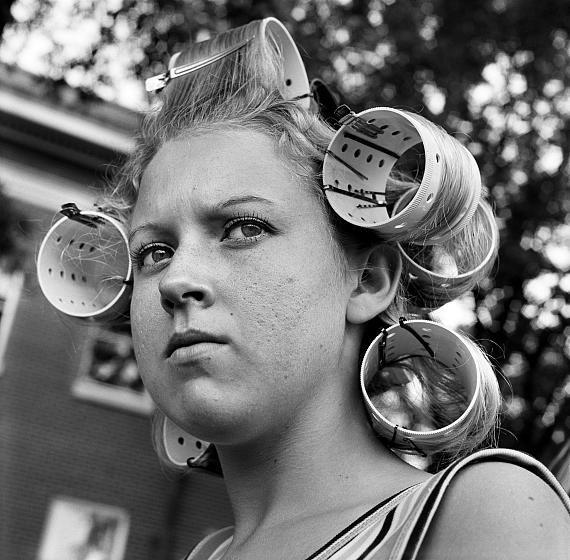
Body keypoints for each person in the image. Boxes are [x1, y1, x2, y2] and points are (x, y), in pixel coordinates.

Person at [40, 17, 570, 560]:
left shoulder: (481, 513)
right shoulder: (206, 554)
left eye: (245, 228)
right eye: (154, 252)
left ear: (367, 280)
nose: (175, 281)